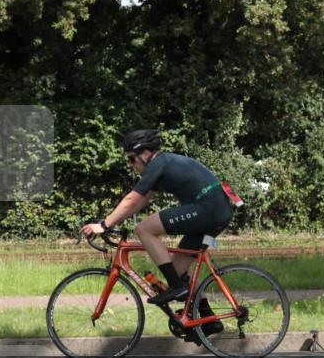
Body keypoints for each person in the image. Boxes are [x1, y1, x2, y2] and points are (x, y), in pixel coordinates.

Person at [79, 129, 233, 334]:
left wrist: (104, 225)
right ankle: (209, 319)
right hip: (215, 210)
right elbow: (138, 202)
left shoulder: (159, 162)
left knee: (144, 229)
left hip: (209, 209)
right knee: (179, 272)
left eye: (132, 159)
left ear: (145, 154)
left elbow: (132, 199)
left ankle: (177, 288)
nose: (131, 165)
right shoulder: (161, 166)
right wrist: (110, 221)